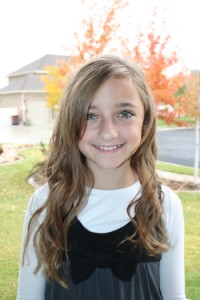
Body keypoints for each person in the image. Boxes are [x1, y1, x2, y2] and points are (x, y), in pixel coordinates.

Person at [16, 55, 186, 300]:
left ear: (145, 121)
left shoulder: (165, 204)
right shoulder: (45, 204)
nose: (108, 132)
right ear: (70, 123)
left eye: (125, 113)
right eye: (90, 116)